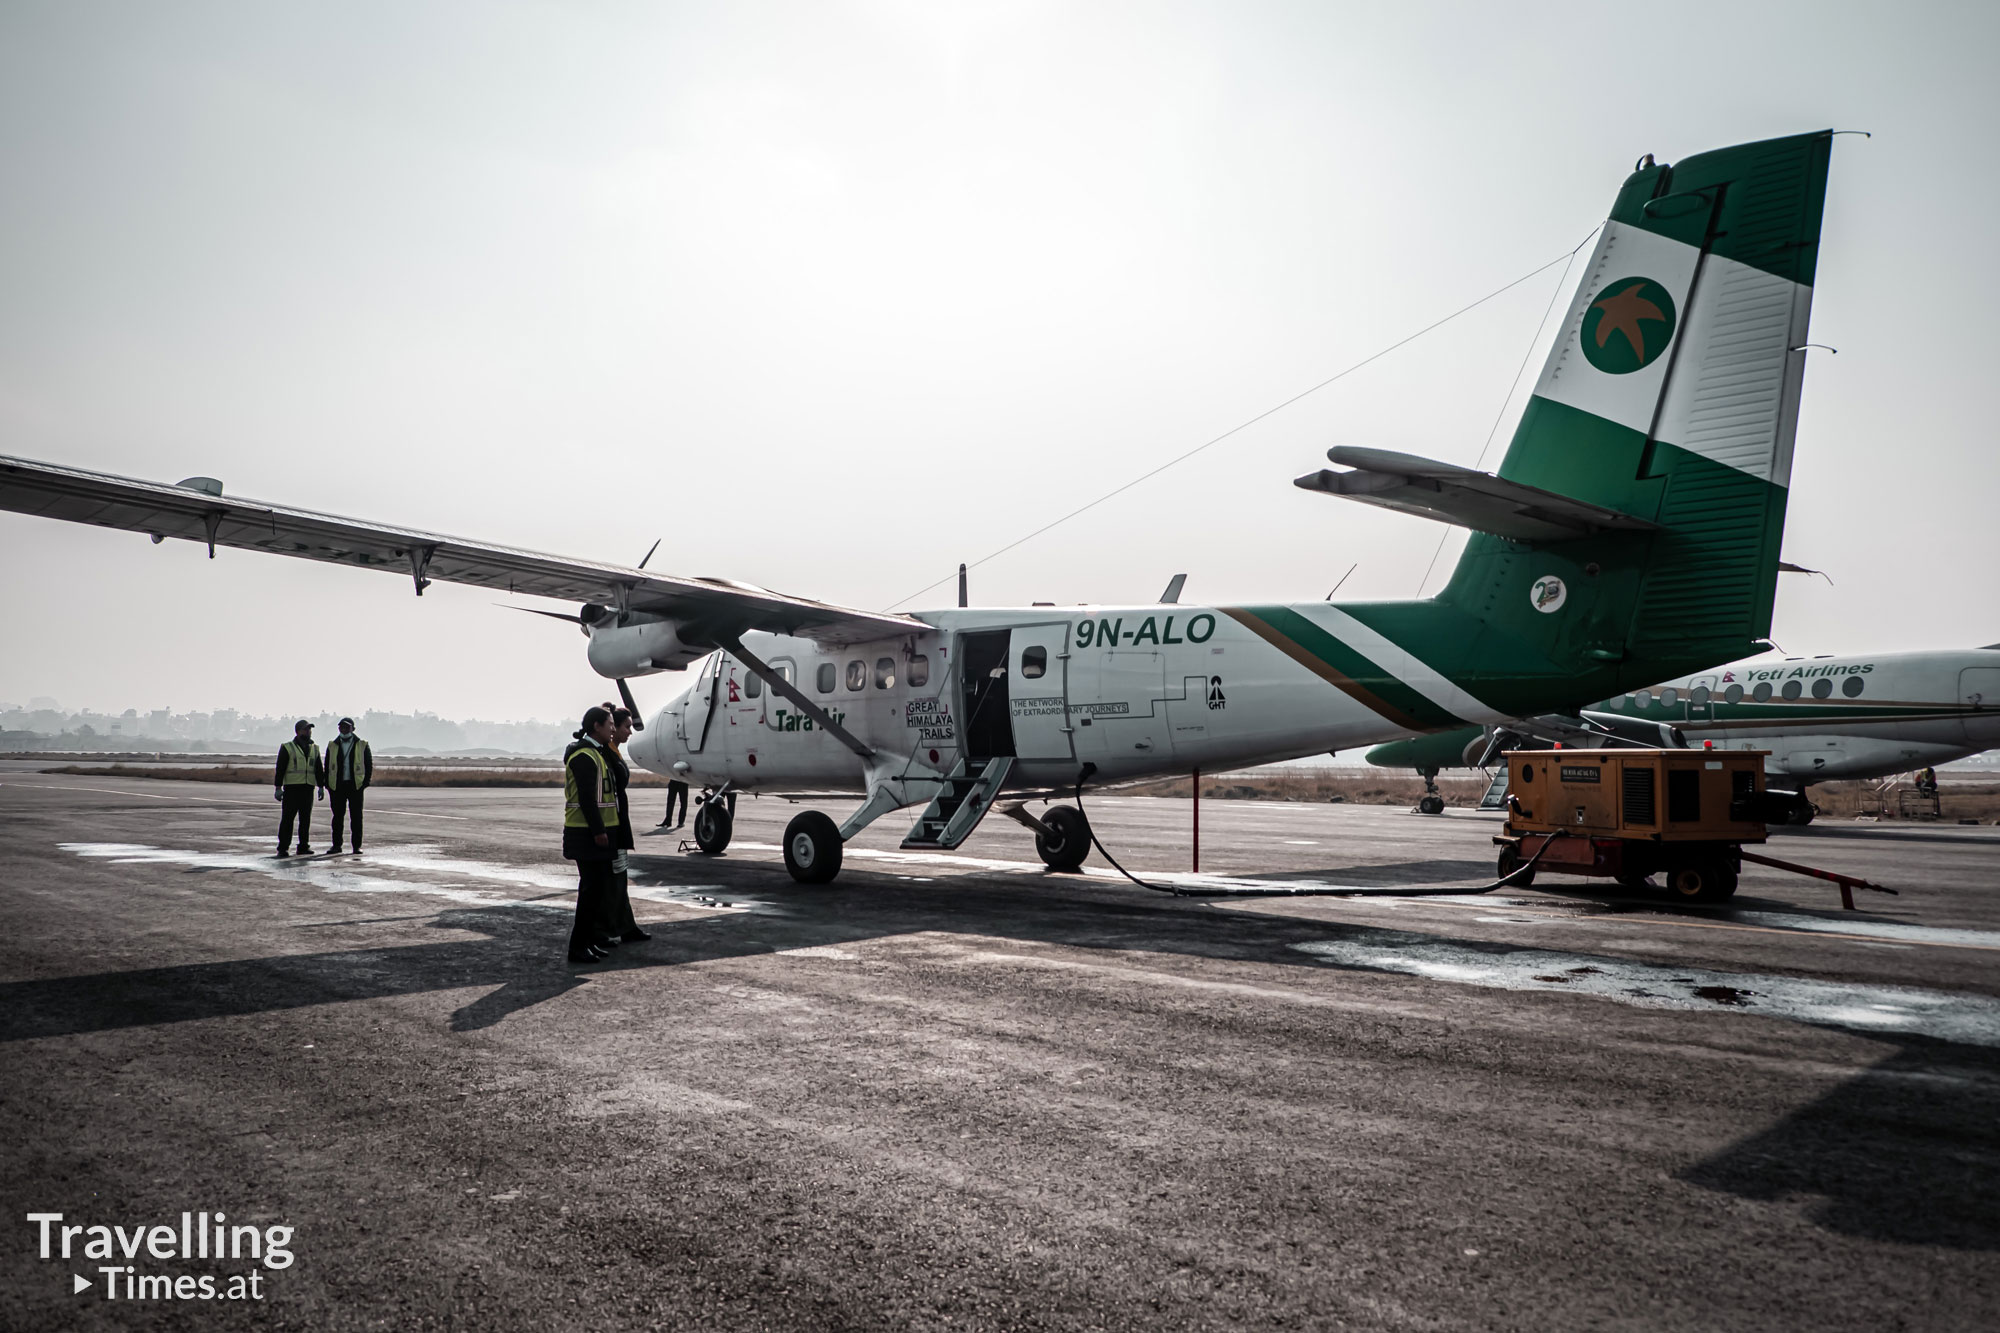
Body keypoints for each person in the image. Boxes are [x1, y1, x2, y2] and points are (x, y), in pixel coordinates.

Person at [562, 706, 622, 963]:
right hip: (585, 834)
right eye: (609, 723)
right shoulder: (584, 756)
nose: (613, 728)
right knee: (589, 892)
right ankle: (577, 947)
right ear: (596, 726)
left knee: (597, 892)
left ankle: (587, 941)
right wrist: (598, 831)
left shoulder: (597, 754)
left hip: (598, 832)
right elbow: (587, 799)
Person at [601, 707, 651, 943]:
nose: (630, 731)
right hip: (612, 823)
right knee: (614, 879)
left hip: (618, 821)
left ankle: (624, 926)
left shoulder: (614, 753)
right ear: (614, 730)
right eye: (626, 727)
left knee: (619, 877)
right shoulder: (607, 755)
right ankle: (613, 928)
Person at [273, 720, 324, 857]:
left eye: (309, 730)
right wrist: (278, 787)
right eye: (305, 729)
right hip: (292, 789)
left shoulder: (314, 748)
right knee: (288, 820)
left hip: (308, 788)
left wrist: (321, 786)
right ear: (298, 731)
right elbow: (280, 769)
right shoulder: (288, 747)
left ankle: (303, 846)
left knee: (305, 820)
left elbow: (318, 769)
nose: (308, 732)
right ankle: (283, 848)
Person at [325, 716, 372, 854]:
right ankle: (336, 845)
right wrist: (327, 784)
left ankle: (356, 846)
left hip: (355, 786)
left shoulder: (362, 744)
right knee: (337, 817)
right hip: (337, 787)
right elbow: (327, 765)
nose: (344, 729)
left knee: (356, 817)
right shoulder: (332, 745)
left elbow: (368, 765)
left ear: (353, 729)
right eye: (341, 727)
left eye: (347, 727)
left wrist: (365, 783)